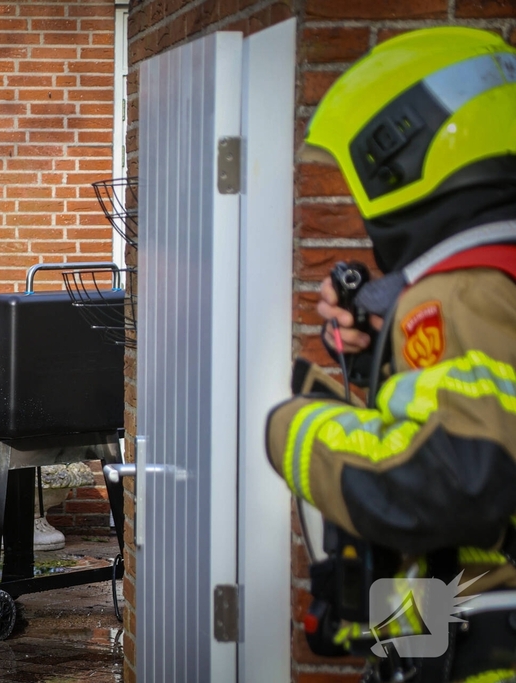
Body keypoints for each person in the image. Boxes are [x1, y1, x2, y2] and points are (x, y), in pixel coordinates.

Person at [265, 27, 516, 682]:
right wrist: (386, 350)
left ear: (400, 155)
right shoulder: (493, 276)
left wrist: (292, 428)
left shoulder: (462, 292)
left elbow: (448, 482)